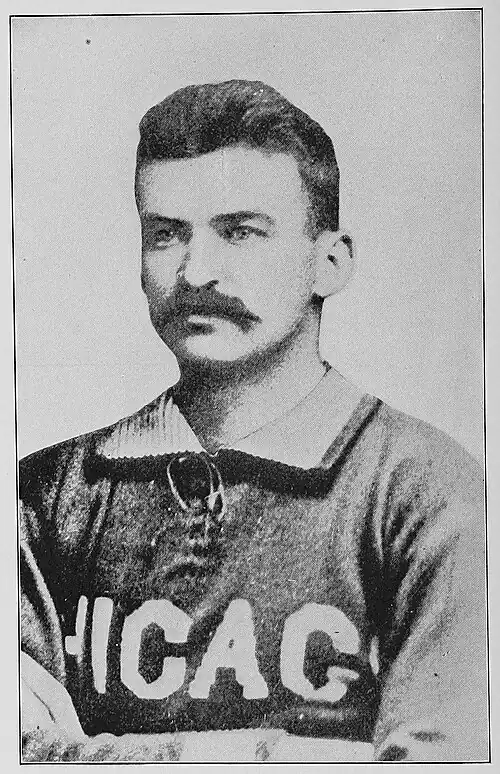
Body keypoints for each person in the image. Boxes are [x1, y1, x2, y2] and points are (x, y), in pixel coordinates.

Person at [19, 79, 488, 763]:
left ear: (330, 262)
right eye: (165, 235)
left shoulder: (427, 491)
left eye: (240, 232)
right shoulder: (44, 496)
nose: (196, 272)